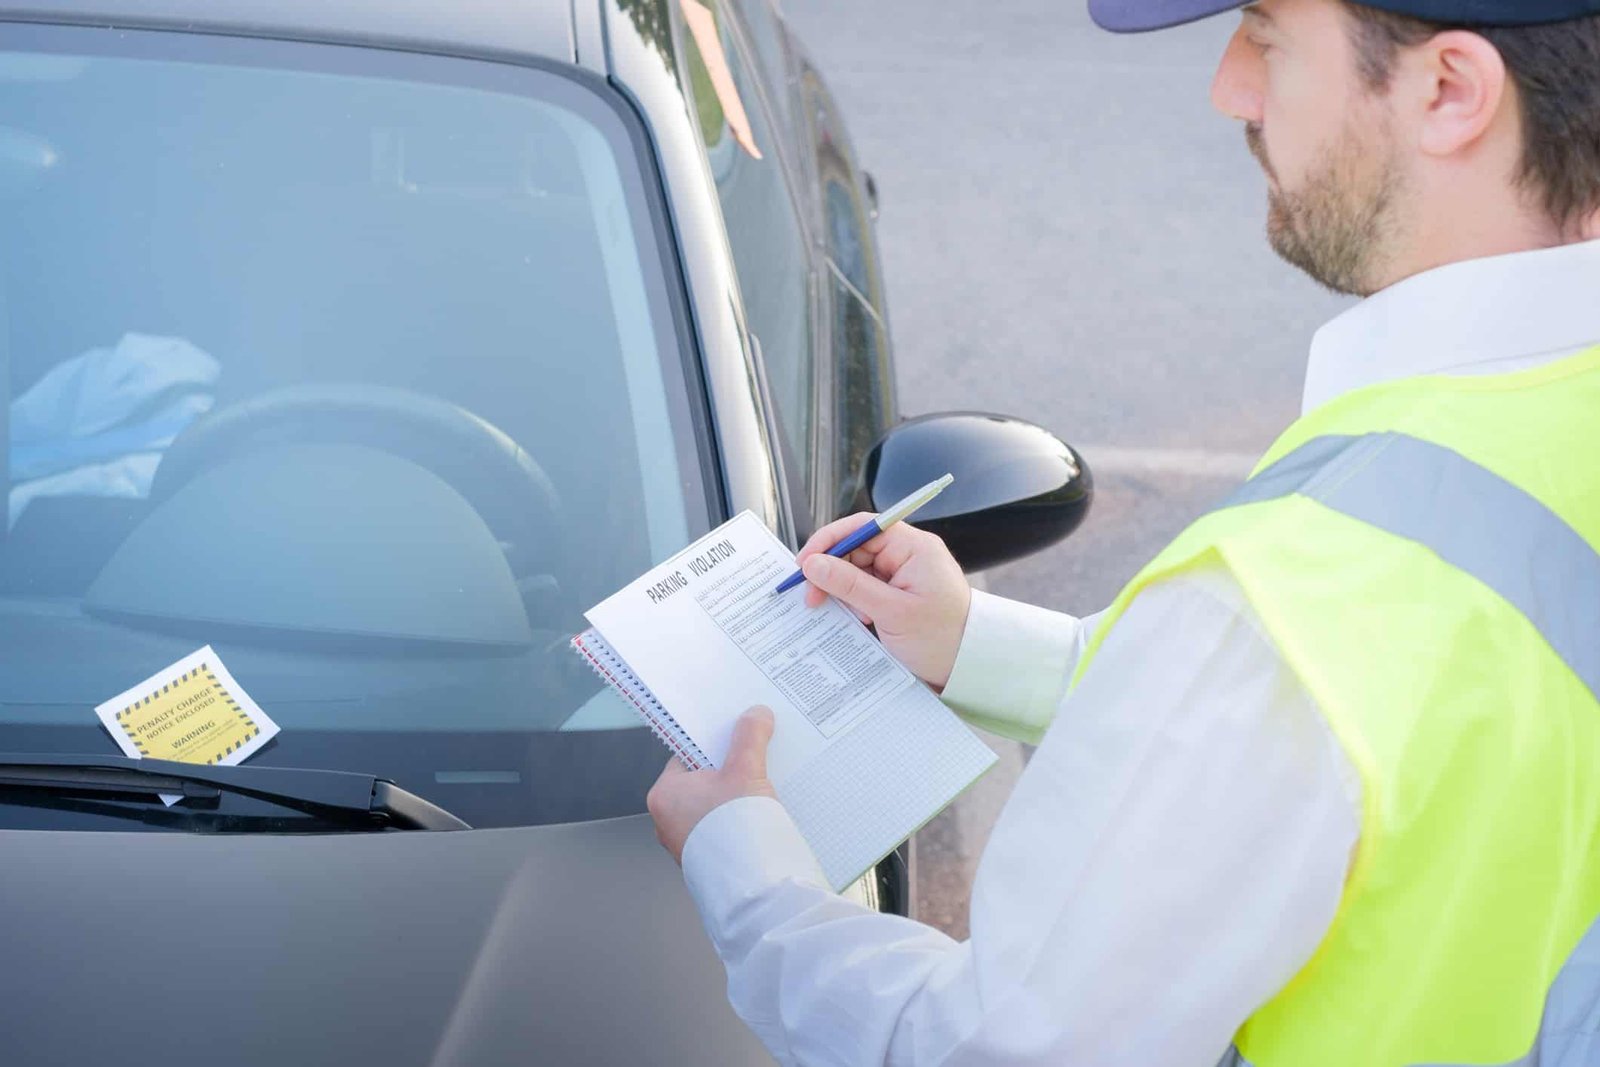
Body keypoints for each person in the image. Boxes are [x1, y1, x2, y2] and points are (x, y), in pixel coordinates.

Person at [645, 0, 1600, 1063]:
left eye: (1269, 35)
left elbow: (999, 1049)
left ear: (1449, 91)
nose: (1227, 86)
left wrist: (749, 879)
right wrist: (975, 645)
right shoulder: (1522, 442)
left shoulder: (1286, 612)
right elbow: (1372, 748)